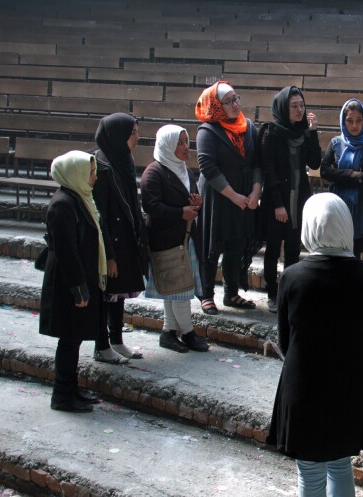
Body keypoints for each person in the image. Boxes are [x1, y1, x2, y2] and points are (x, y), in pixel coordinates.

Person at [266, 193, 363, 497]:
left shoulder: (293, 277)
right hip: (347, 388)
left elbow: (286, 341)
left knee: (311, 474)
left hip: (304, 388)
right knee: (340, 466)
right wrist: (348, 364)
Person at [39, 150, 104, 413]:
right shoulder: (63, 205)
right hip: (67, 286)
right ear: (75, 174)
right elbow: (67, 252)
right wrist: (79, 290)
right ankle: (62, 396)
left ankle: (71, 389)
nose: (94, 177)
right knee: (68, 339)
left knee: (74, 338)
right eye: (90, 173)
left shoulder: (79, 198)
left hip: (76, 281)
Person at [140, 125, 210, 354]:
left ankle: (169, 332)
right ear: (167, 145)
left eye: (186, 141)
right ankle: (187, 332)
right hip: (166, 240)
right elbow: (151, 206)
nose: (184, 147)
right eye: (179, 143)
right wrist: (180, 212)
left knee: (176, 288)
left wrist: (195, 205)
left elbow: (188, 203)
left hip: (185, 238)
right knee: (178, 289)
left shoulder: (184, 170)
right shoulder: (154, 172)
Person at [194, 81, 262, 314]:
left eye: (236, 98)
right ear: (216, 105)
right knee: (213, 245)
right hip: (219, 196)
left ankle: (231, 293)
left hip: (243, 194)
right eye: (228, 101)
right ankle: (206, 294)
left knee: (237, 242)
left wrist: (255, 192)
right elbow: (208, 167)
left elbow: (256, 163)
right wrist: (233, 196)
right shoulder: (207, 130)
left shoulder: (249, 127)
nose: (235, 104)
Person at [258, 85, 322, 314]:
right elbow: (269, 170)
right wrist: (278, 204)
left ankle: (289, 293)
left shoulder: (304, 132)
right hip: (277, 200)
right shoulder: (270, 132)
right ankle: (272, 293)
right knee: (273, 248)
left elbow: (315, 163)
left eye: (302, 105)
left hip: (299, 198)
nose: (299, 110)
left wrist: (313, 132)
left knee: (294, 249)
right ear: (283, 107)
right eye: (294, 106)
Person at [91, 112, 148, 363]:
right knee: (106, 296)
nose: (137, 137)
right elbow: (100, 215)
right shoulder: (101, 167)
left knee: (119, 293)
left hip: (125, 237)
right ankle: (101, 346)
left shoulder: (122, 158)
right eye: (133, 133)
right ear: (118, 136)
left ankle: (116, 340)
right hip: (110, 243)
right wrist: (110, 257)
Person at [319, 98, 363, 258]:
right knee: (334, 249)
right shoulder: (336, 143)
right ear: (343, 121)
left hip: (359, 205)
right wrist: (352, 174)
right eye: (350, 120)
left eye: (359, 120)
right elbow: (324, 172)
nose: (354, 125)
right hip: (336, 203)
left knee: (354, 253)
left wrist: (338, 175)